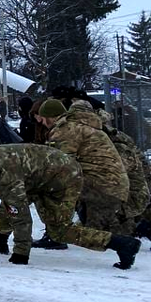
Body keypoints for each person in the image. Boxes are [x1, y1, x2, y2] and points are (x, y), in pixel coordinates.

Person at [0, 146, 141, 269]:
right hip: (42, 176)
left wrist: (21, 253)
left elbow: (21, 216)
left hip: (64, 180)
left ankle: (122, 244)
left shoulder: (6, 176)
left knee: (59, 231)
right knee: (8, 203)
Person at [37, 99, 129, 235]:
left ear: (50, 117)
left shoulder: (66, 129)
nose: (42, 123)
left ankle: (54, 233)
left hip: (101, 186)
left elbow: (61, 166)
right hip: (112, 186)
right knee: (100, 229)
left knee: (48, 188)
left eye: (43, 119)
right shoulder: (82, 125)